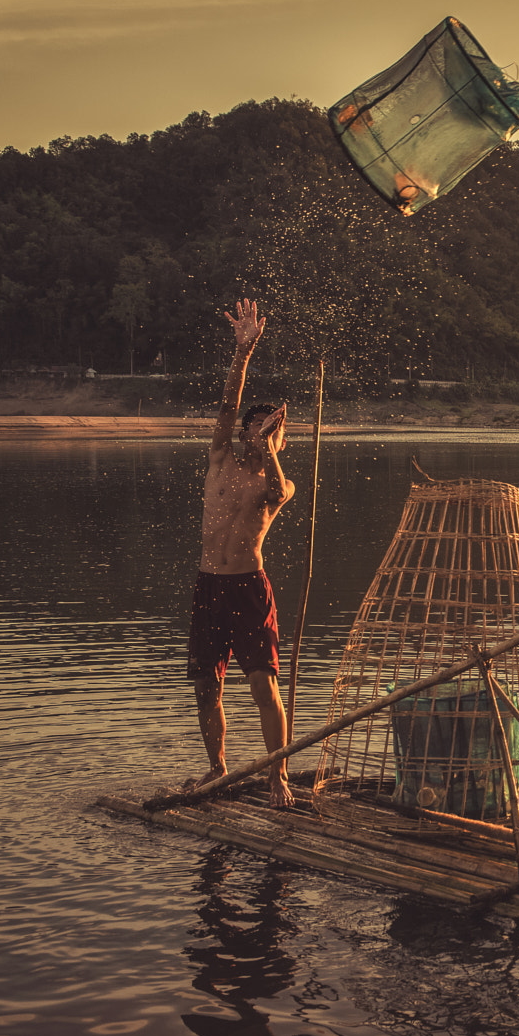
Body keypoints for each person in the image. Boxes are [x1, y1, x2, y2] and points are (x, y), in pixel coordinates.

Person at [186, 299, 296, 807]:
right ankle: (217, 768)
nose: (265, 438)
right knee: (206, 687)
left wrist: (270, 447)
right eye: (260, 430)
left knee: (262, 685)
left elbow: (279, 490)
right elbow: (229, 405)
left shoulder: (276, 481)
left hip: (249, 588)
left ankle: (278, 776)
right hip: (210, 586)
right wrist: (243, 352)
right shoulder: (219, 459)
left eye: (274, 434)